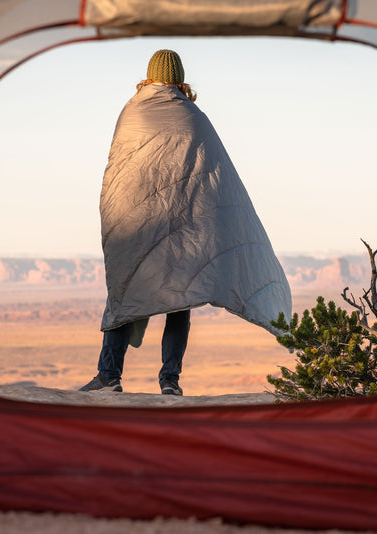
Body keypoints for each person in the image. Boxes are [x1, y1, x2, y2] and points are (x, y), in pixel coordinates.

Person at [80, 49, 291, 396]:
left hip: (138, 225)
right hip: (185, 228)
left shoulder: (132, 111)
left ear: (149, 75)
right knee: (180, 299)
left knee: (125, 295)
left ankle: (108, 376)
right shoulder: (192, 115)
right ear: (179, 76)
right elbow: (216, 178)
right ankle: (170, 382)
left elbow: (118, 174)